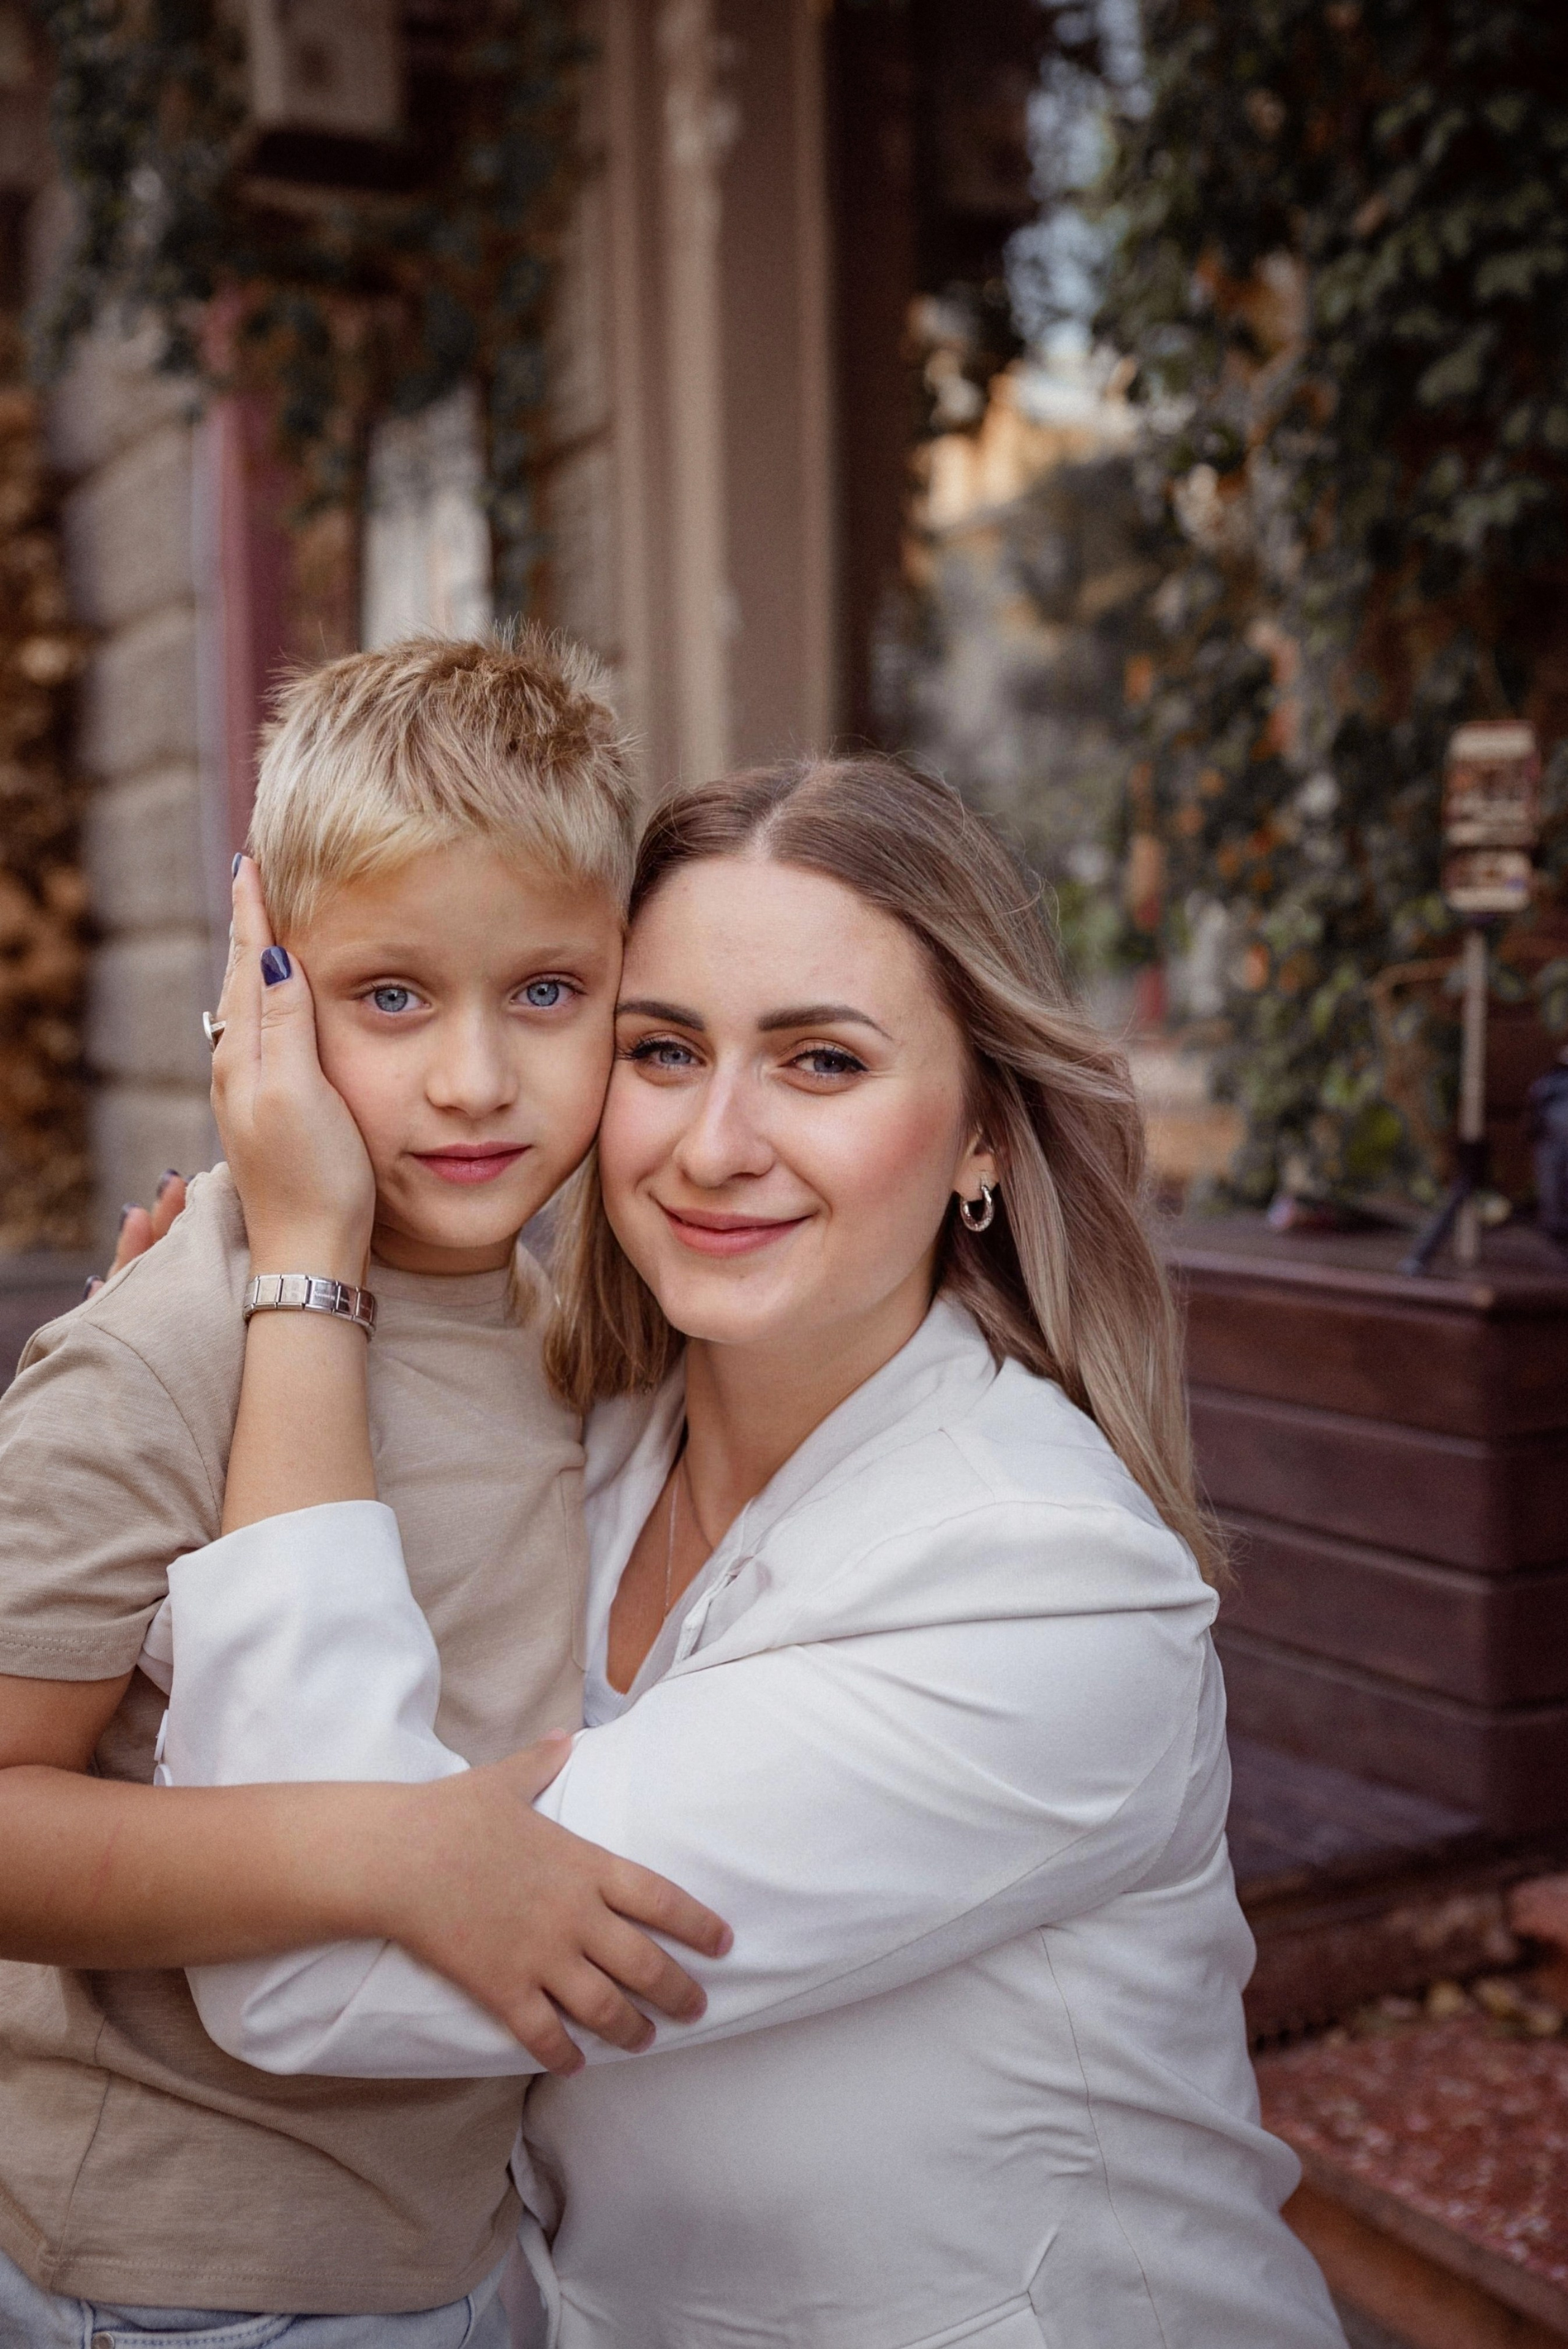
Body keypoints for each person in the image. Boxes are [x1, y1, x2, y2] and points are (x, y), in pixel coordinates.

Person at [153, 757, 1349, 2348]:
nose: (717, 1142)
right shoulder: (579, 1449)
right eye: (663, 1047)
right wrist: (204, 1371)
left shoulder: (1041, 1579)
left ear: (985, 1131)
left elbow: (315, 1981)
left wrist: (302, 1283)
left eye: (822, 1061)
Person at [0, 632, 726, 2346]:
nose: (474, 1080)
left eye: (546, 992)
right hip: (186, 2270)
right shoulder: (177, 1340)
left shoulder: (563, 1334)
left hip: (458, 2232)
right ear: (269, 983)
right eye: (391, 995)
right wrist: (393, 1857)